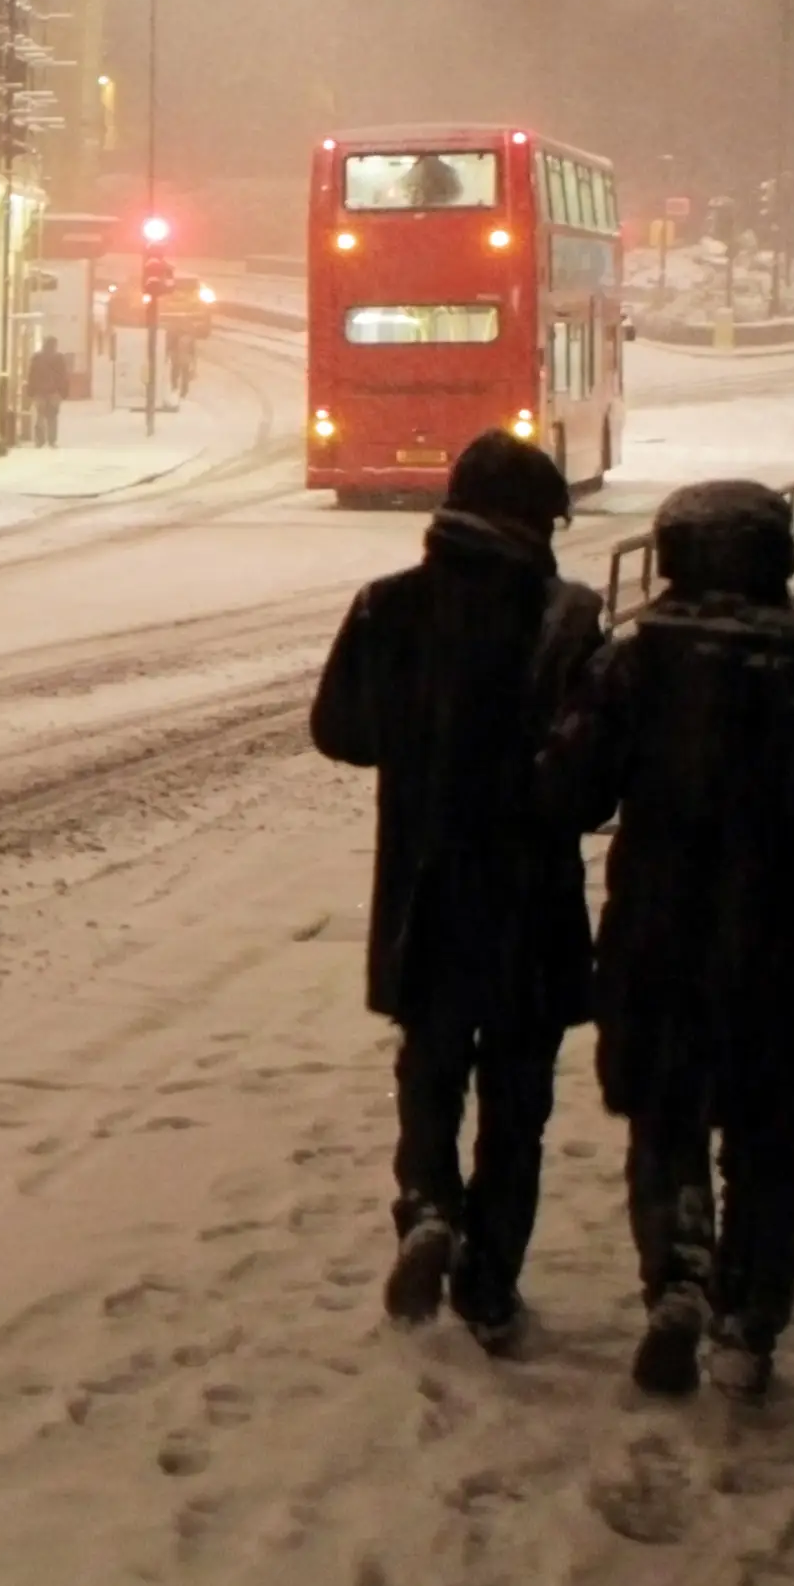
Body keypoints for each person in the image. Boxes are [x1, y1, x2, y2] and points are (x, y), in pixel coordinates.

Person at [540, 478, 794, 1399]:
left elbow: (569, 794)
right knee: (765, 1140)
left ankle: (678, 1275)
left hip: (659, 934)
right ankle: (748, 1324)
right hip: (783, 943)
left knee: (667, 1120)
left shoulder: (633, 669)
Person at [310, 430, 601, 1350]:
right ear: (531, 521)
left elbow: (340, 732)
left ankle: (428, 1204)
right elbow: (592, 778)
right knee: (518, 1099)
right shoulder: (566, 618)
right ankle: (489, 1286)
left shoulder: (386, 607)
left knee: (429, 1068)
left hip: (424, 892)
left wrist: (417, 738)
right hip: (530, 899)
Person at [25, 336, 69, 448]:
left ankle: (40, 440)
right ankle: (52, 440)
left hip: (39, 392)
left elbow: (31, 375)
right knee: (52, 417)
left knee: (40, 416)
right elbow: (63, 376)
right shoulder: (59, 358)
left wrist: (30, 391)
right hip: (54, 392)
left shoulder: (37, 357)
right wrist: (63, 393)